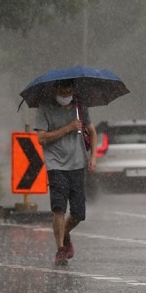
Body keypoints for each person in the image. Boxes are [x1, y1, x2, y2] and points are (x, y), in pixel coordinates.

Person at [34, 79, 98, 266]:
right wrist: (67, 128)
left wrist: (93, 157)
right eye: (62, 92)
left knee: (78, 213)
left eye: (69, 91)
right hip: (56, 166)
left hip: (78, 164)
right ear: (56, 90)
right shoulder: (45, 108)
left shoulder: (80, 107)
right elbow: (42, 138)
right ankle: (61, 249)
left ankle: (65, 233)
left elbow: (92, 132)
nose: (65, 95)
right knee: (59, 208)